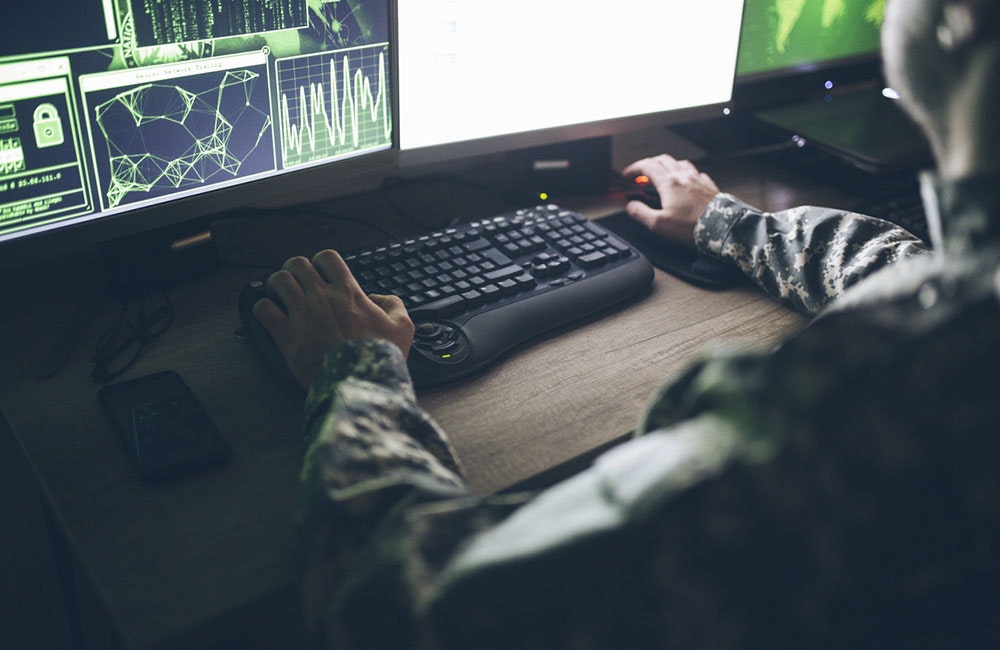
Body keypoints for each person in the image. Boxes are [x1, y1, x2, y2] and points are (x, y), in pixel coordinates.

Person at [252, 0, 1000, 646]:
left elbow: (398, 613)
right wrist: (729, 224)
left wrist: (354, 369)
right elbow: (924, 273)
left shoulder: (861, 417)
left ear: (957, 21)